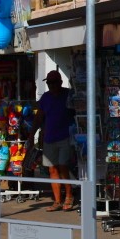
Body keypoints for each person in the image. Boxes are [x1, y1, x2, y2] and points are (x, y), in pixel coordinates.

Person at [34, 70, 75, 211]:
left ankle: (69, 196)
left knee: (63, 166)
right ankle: (57, 200)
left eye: (54, 82)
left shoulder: (68, 95)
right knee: (52, 169)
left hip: (65, 137)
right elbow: (39, 117)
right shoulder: (45, 98)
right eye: (49, 83)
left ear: (60, 82)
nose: (51, 85)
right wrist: (31, 134)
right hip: (49, 138)